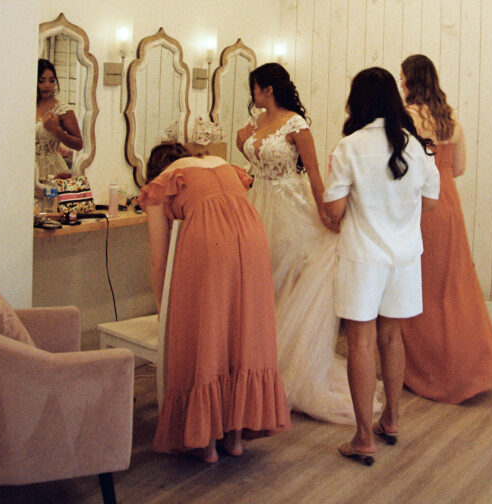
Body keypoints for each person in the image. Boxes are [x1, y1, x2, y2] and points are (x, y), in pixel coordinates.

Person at [236, 62, 373, 425]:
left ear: (267, 89)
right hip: (258, 202)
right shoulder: (257, 123)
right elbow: (244, 142)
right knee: (258, 279)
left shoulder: (297, 124)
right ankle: (259, 365)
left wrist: (328, 217)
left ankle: (285, 366)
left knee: (285, 278)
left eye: (255, 88)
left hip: (290, 207)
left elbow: (313, 174)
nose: (252, 95)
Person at [137, 141, 290, 463]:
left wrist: (164, 310)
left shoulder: (161, 182)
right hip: (252, 237)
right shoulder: (220, 164)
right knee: (241, 331)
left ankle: (206, 441)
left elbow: (158, 259)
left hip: (210, 242)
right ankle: (234, 438)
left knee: (208, 331)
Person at [323, 67, 440, 464]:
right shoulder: (419, 148)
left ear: (357, 101)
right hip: (405, 256)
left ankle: (361, 437)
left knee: (361, 342)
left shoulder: (349, 147)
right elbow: (430, 202)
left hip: (362, 256)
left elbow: (335, 212)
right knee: (392, 337)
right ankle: (390, 418)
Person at [399, 54, 492, 403]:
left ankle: (428, 370)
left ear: (411, 81)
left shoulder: (408, 117)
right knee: (453, 288)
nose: (401, 83)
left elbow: (402, 166)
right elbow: (459, 168)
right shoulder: (451, 120)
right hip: (449, 205)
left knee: (419, 288)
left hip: (420, 206)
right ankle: (468, 366)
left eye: (403, 78)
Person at [35, 58, 83, 182]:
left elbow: (79, 144)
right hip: (24, 168)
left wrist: (56, 130)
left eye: (51, 81)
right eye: (41, 81)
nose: (47, 85)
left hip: (52, 172)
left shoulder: (62, 110)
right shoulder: (23, 107)